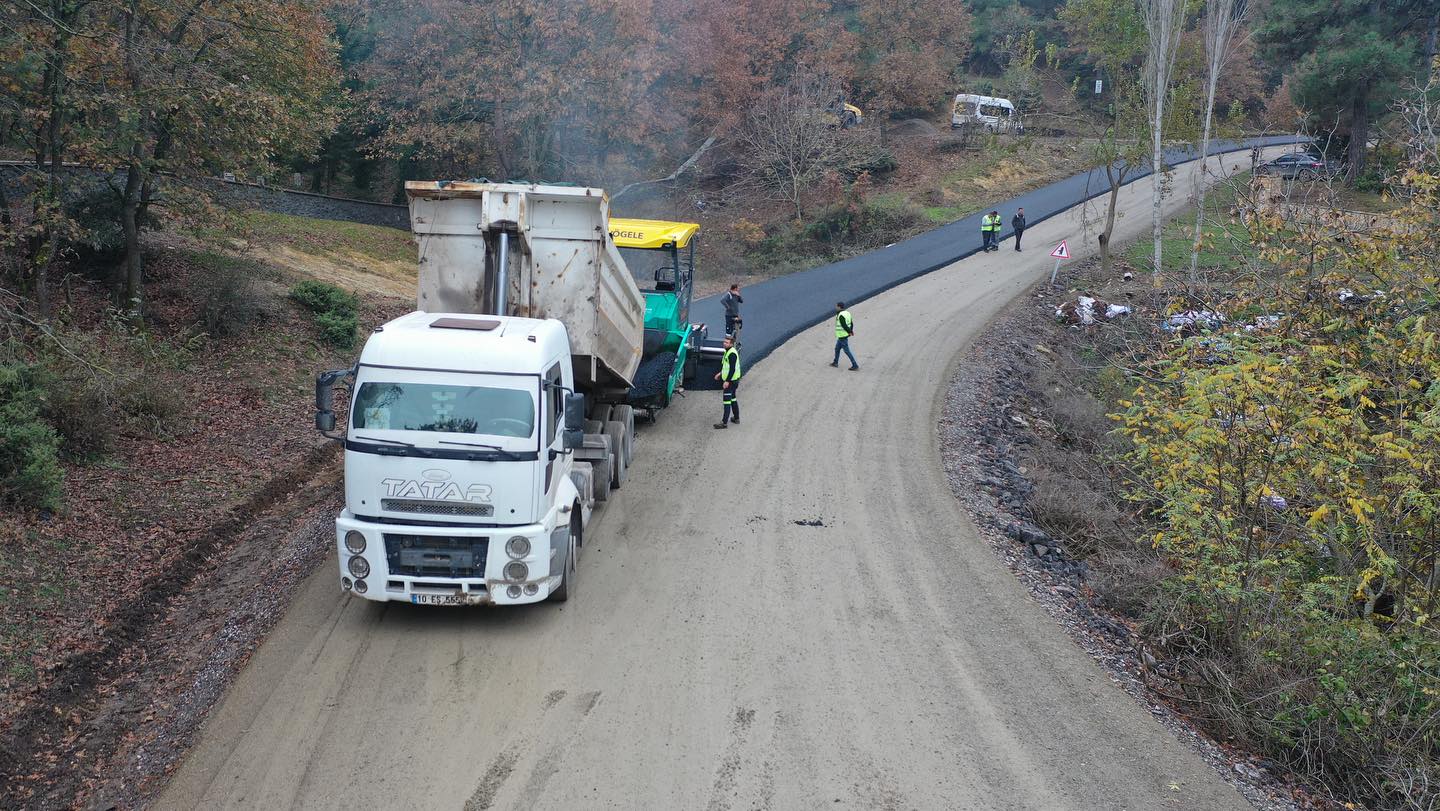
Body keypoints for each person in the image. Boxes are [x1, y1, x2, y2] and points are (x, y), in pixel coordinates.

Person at [713, 335, 741, 429]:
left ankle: (724, 423)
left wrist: (727, 381)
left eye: (727, 342)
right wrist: (720, 374)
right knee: (733, 399)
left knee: (727, 402)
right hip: (734, 381)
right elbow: (727, 366)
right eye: (724, 342)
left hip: (731, 382)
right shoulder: (728, 351)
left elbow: (732, 369)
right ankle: (736, 418)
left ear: (731, 344)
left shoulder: (732, 353)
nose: (724, 343)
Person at [830, 302, 858, 370]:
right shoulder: (847, 313)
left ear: (839, 307)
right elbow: (851, 323)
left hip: (842, 336)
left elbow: (844, 325)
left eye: (836, 306)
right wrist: (850, 331)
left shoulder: (840, 315)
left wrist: (850, 332)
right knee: (837, 349)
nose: (835, 308)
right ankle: (835, 362)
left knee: (847, 351)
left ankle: (855, 365)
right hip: (843, 336)